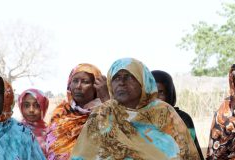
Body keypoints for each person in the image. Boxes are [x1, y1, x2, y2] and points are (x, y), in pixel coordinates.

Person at [71, 58, 200, 159]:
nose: (121, 82)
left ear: (143, 82)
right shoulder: (102, 114)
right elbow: (85, 154)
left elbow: (187, 153)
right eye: (116, 78)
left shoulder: (164, 112)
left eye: (128, 77)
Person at [47, 63, 109, 160]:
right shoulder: (60, 113)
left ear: (96, 86)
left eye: (85, 82)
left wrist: (107, 100)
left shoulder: (106, 112)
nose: (78, 86)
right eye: (75, 81)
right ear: (69, 84)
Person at [151, 70, 204, 159]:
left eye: (161, 92)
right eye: (152, 92)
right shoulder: (139, 120)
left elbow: (193, 151)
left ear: (169, 94)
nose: (156, 97)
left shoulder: (183, 118)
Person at [18, 88, 49, 156]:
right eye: (26, 105)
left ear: (44, 107)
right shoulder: (14, 131)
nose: (31, 110)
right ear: (21, 107)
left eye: (37, 105)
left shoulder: (51, 133)